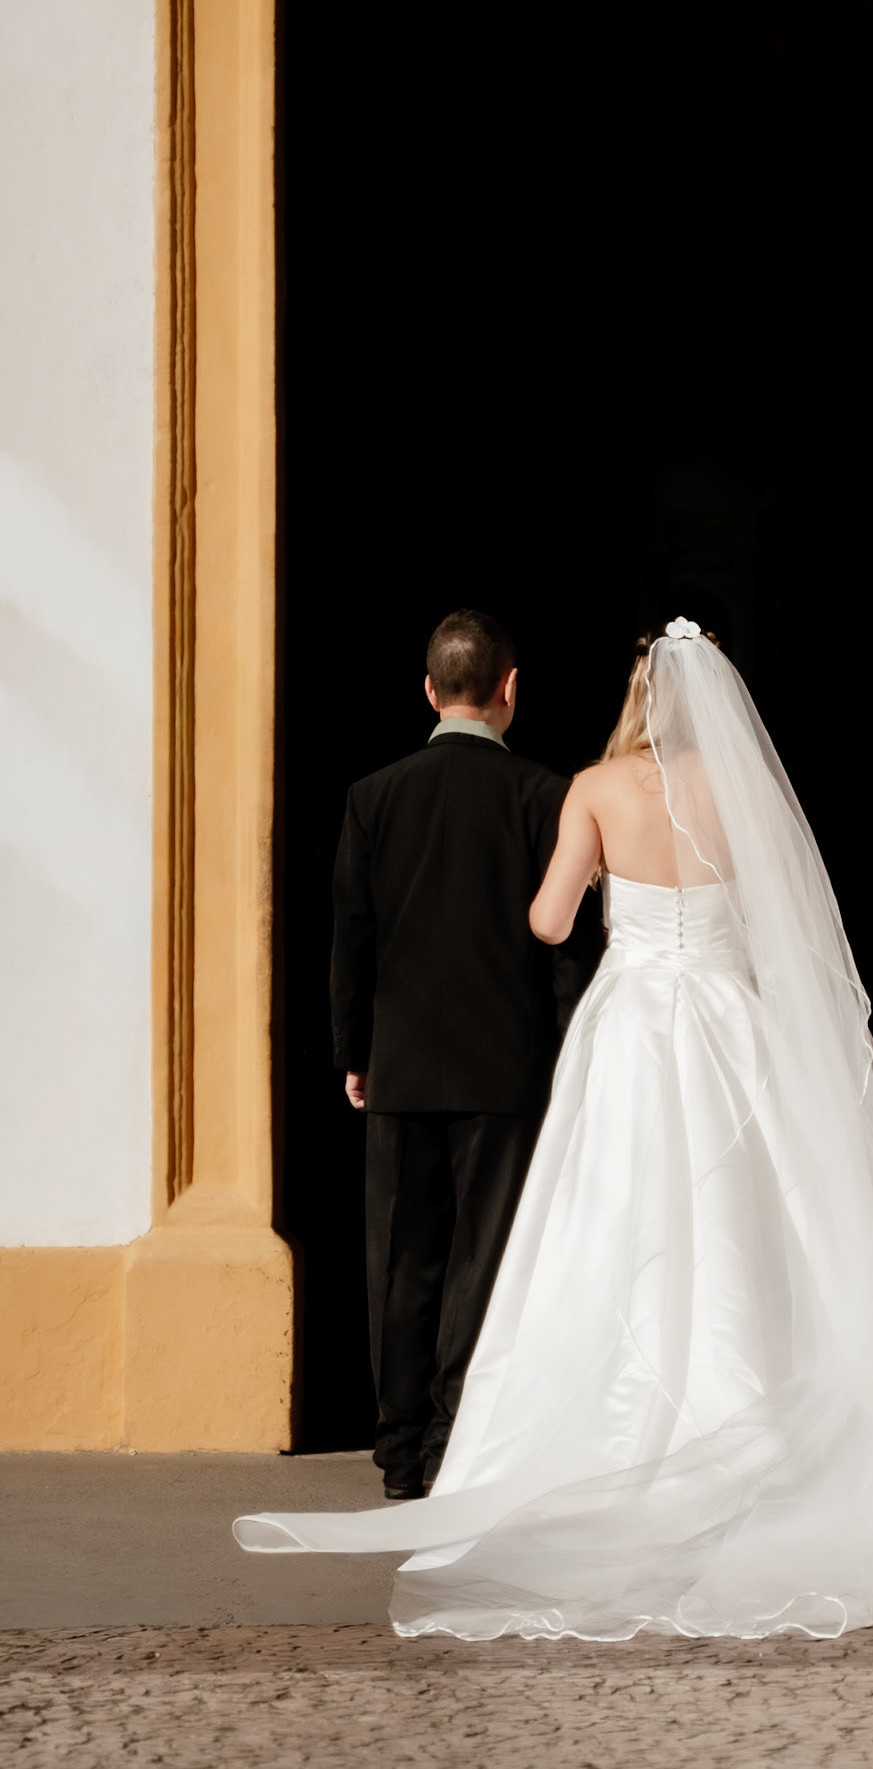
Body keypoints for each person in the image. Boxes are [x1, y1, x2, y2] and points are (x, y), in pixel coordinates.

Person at [239, 620, 873, 1637]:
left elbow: (547, 921)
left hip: (634, 1024)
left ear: (636, 693)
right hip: (728, 1021)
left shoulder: (593, 787)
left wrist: (592, 892)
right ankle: (760, 1422)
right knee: (756, 1218)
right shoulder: (744, 795)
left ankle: (614, 1439)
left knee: (617, 1219)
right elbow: (781, 922)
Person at [329, 607, 589, 1501]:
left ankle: (400, 1450)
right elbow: (563, 949)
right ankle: (454, 1439)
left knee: (401, 1258)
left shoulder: (373, 795)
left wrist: (353, 1048)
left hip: (399, 1063)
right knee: (486, 1254)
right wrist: (568, 1055)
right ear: (510, 690)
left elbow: (352, 939)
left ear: (429, 690)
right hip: (505, 1068)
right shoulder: (544, 795)